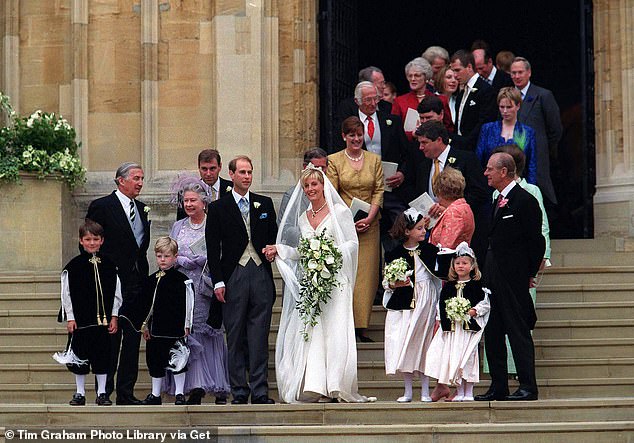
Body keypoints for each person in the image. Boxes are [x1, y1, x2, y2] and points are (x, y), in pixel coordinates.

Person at [266, 165, 375, 403]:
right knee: (314, 334)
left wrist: (328, 253)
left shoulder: (340, 212)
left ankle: (336, 384)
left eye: (314, 184)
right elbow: (302, 252)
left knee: (335, 331)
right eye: (306, 186)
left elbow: (351, 244)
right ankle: (317, 385)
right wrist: (280, 249)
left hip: (335, 282)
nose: (310, 189)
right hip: (314, 281)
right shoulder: (304, 217)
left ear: (323, 185)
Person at [205, 155, 278, 405]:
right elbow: (212, 249)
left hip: (259, 273)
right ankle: (238, 390)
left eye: (250, 172)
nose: (247, 177)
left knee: (259, 335)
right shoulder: (217, 208)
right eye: (242, 172)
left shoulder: (264, 203)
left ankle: (259, 391)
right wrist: (218, 281)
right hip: (233, 274)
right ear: (232, 174)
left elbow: (273, 236)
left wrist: (273, 249)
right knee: (234, 335)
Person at [475, 152, 545, 401]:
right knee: (493, 332)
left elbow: (536, 242)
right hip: (493, 276)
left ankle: (528, 385)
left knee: (518, 332)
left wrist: (527, 273)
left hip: (513, 279)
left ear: (503, 172)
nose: (486, 173)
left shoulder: (525, 200)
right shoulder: (497, 199)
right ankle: (498, 385)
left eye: (489, 169)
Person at [86, 162, 151, 405]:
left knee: (132, 341)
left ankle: (126, 393)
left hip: (136, 284)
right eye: (136, 178)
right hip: (110, 283)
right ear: (120, 180)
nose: (140, 183)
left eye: (142, 178)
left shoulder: (142, 209)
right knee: (108, 341)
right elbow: (90, 244)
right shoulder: (102, 207)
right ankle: (104, 391)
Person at [164, 177, 231, 405]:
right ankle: (194, 386)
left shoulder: (214, 222)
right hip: (183, 285)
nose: (189, 205)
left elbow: (223, 251)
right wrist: (180, 258)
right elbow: (168, 250)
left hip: (206, 286)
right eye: (186, 201)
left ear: (204, 202)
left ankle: (217, 385)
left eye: (193, 200)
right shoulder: (178, 225)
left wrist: (207, 258)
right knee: (188, 333)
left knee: (208, 332)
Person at [327, 116, 384, 342]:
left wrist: (370, 217)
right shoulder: (334, 160)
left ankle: (361, 325)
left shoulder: (374, 160)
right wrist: (348, 220)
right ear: (344, 136)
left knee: (366, 276)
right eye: (352, 135)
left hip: (370, 225)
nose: (356, 139)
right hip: (344, 225)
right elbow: (332, 192)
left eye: (359, 135)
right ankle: (345, 324)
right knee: (346, 273)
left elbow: (379, 190)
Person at [56, 220, 122, 406]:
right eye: (87, 239)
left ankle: (102, 393)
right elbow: (66, 294)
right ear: (81, 241)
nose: (91, 243)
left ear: (102, 240)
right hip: (82, 320)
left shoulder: (109, 265)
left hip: (103, 321)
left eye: (95, 239)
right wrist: (70, 317)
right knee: (80, 356)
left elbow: (117, 292)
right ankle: (80, 392)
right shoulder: (74, 266)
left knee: (102, 356)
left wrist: (114, 316)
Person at [382, 208, 445, 403]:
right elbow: (387, 281)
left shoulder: (430, 250)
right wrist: (394, 283)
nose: (423, 231)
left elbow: (440, 273)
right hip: (404, 304)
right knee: (405, 343)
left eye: (424, 228)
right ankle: (408, 390)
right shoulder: (394, 253)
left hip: (425, 301)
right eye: (419, 228)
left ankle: (425, 390)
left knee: (423, 344)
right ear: (407, 231)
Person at [413, 121, 489, 263]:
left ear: (439, 140)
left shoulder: (466, 159)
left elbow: (481, 193)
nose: (420, 147)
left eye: (424, 142)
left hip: (460, 237)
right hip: (430, 229)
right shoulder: (423, 165)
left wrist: (449, 209)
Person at [425, 242, 490, 402]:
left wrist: (474, 311)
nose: (461, 266)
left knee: (468, 357)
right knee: (455, 357)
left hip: (468, 329)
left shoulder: (477, 286)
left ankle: (469, 391)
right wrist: (442, 320)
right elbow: (441, 306)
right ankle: (459, 390)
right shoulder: (448, 287)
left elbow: (485, 303)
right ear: (453, 266)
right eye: (458, 263)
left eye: (465, 263)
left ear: (472, 265)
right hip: (453, 329)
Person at [140, 237, 194, 406]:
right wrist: (145, 326)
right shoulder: (150, 280)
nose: (162, 260)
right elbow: (146, 305)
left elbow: (189, 304)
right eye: (159, 256)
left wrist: (187, 324)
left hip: (176, 328)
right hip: (156, 329)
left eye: (167, 256)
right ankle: (155, 394)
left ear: (175, 257)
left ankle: (179, 393)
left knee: (178, 360)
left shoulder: (183, 281)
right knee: (155, 361)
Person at [511, 56, 562, 210]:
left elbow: (555, 129)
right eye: (513, 73)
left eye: (520, 72)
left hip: (537, 155)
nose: (517, 76)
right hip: (513, 154)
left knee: (540, 191)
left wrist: (543, 147)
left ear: (529, 73)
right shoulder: (507, 96)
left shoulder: (543, 95)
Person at [476, 87, 538, 184]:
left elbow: (531, 165)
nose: (505, 111)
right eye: (502, 107)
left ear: (518, 106)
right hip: (489, 184)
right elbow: (479, 159)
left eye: (509, 107)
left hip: (517, 185)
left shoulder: (527, 132)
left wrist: (530, 189)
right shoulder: (488, 129)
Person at [392, 57, 453, 140]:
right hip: (409, 147)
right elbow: (394, 130)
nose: (413, 79)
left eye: (417, 75)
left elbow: (449, 128)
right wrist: (412, 134)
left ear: (426, 77)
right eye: (410, 76)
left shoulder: (440, 100)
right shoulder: (399, 101)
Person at [450, 50, 498, 151]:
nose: (454, 75)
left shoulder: (486, 90)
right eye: (453, 70)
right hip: (460, 149)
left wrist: (466, 142)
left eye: (457, 70)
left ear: (469, 67)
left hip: (476, 149)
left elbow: (485, 123)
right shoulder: (461, 93)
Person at [176, 149, 233, 220]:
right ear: (199, 167)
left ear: (220, 166)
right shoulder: (187, 192)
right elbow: (182, 220)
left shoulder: (233, 188)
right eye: (204, 169)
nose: (208, 174)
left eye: (212, 169)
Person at [278, 148, 329, 225]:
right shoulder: (291, 196)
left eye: (323, 168)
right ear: (305, 167)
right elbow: (283, 226)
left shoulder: (332, 192)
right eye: (317, 167)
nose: (320, 171)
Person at [429, 167, 475, 248]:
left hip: (449, 259)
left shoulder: (454, 213)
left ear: (440, 191)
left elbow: (445, 249)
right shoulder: (464, 206)